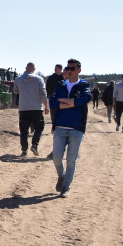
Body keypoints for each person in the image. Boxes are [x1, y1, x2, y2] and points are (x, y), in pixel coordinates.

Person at [49, 59, 91, 198]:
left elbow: (85, 99)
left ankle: (66, 187)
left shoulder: (84, 85)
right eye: (67, 68)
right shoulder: (61, 85)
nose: (69, 71)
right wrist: (73, 103)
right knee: (56, 157)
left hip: (77, 128)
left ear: (79, 70)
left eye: (72, 68)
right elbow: (53, 102)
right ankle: (61, 176)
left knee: (71, 160)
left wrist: (63, 101)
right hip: (60, 127)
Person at [13, 62, 49, 157]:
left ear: (26, 68)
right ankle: (34, 145)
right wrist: (46, 106)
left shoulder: (18, 79)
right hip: (37, 108)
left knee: (24, 130)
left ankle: (24, 150)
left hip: (24, 108)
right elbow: (43, 93)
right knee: (39, 127)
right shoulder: (39, 79)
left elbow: (15, 91)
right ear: (34, 69)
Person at [45, 64, 63, 132]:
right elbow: (47, 88)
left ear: (60, 69)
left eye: (56, 68)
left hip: (62, 98)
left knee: (61, 112)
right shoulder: (51, 78)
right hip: (53, 98)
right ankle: (54, 126)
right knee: (53, 113)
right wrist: (48, 96)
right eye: (55, 68)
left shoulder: (63, 78)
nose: (55, 69)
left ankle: (60, 126)